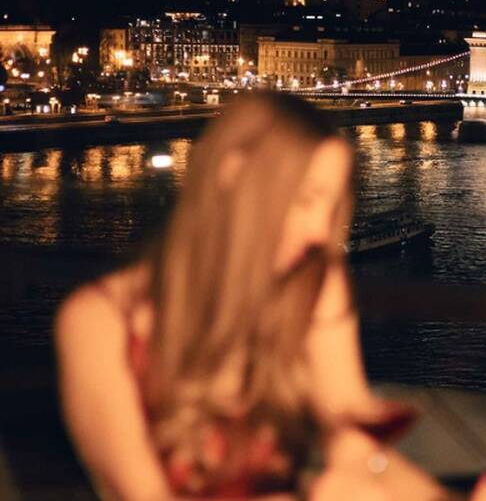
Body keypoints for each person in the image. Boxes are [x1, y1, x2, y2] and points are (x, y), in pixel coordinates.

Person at [55, 93, 449, 500]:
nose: (319, 230)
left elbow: (359, 455)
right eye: (306, 200)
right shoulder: (97, 322)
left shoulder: (312, 283)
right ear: (234, 175)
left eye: (329, 207)